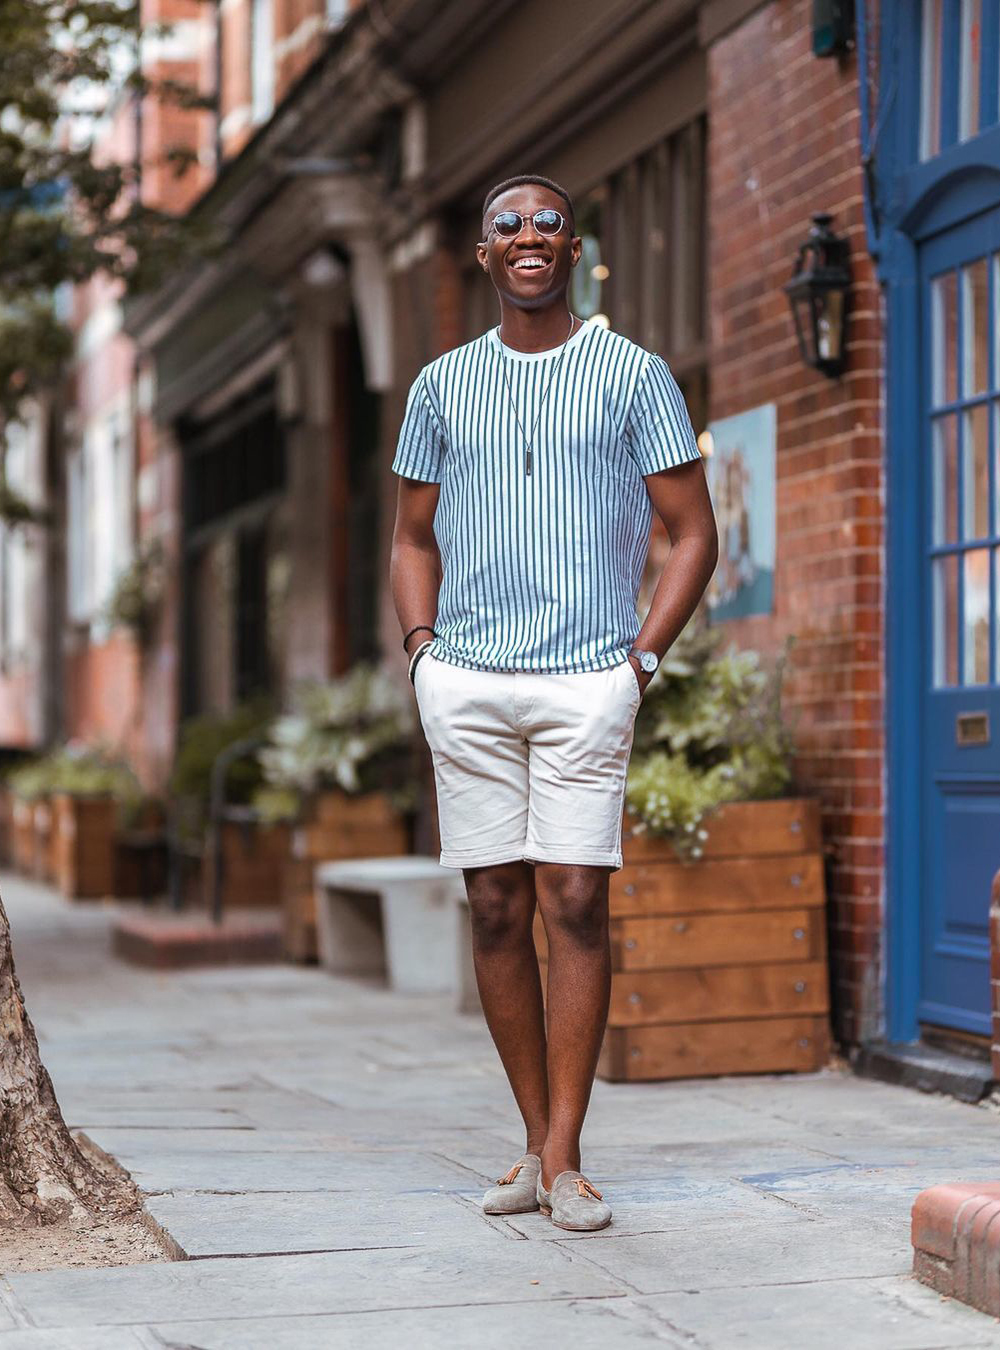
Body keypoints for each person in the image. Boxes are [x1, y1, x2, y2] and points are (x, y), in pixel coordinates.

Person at [389, 174, 718, 1232]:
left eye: (545, 224)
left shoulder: (633, 374)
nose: (526, 237)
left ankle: (567, 1156)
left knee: (576, 897)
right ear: (481, 255)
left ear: (573, 248)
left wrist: (642, 663)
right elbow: (409, 537)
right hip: (470, 679)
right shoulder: (440, 386)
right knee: (495, 904)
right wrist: (422, 652)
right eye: (504, 226)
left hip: (588, 679)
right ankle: (533, 1143)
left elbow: (692, 533)